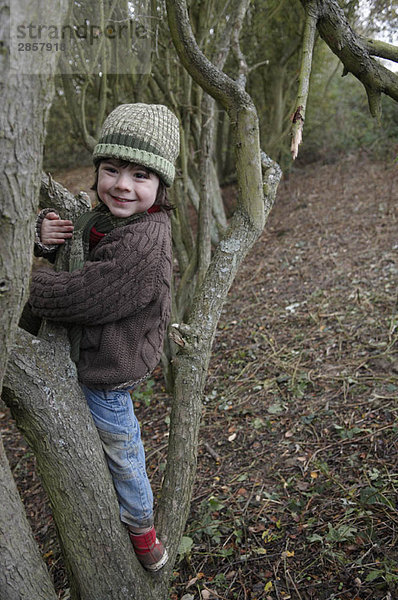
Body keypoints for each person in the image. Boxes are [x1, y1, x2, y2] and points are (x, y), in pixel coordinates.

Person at [28, 103, 180, 572]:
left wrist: (22, 282)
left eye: (140, 176)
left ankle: (142, 526)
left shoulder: (146, 240)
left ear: (160, 187)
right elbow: (77, 244)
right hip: (90, 351)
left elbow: (87, 295)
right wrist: (41, 239)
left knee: (121, 444)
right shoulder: (107, 217)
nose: (121, 185)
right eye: (111, 169)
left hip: (109, 367)